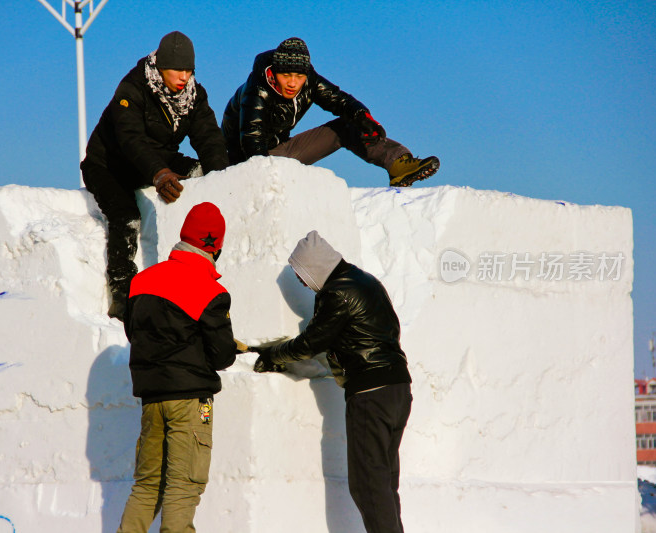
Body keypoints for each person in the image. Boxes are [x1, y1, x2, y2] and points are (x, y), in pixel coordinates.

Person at [251, 230, 412, 533]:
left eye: (301, 272)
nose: (299, 280)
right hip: (398, 389)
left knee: (368, 486)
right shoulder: (366, 281)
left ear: (315, 267)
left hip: (370, 393)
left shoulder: (336, 292)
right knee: (384, 483)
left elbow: (311, 343)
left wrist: (274, 353)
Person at [81, 31, 229, 320]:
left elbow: (209, 137)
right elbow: (131, 139)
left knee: (199, 173)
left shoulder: (194, 95)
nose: (184, 76)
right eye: (177, 69)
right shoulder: (132, 89)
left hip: (157, 159)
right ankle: (123, 296)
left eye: (189, 70)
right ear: (161, 67)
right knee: (127, 217)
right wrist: (159, 174)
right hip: (110, 165)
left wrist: (223, 179)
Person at [117, 202, 236, 533]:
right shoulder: (210, 290)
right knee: (183, 489)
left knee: (146, 487)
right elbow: (223, 355)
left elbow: (134, 333)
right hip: (191, 402)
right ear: (215, 246)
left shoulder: (141, 281)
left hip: (152, 400)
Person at [222, 37, 439, 188]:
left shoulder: (309, 81)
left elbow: (338, 100)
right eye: (286, 75)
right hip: (246, 166)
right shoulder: (257, 90)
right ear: (275, 72)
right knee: (259, 160)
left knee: (346, 126)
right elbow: (252, 141)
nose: (293, 83)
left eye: (299, 76)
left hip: (279, 155)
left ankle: (397, 164)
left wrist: (362, 116)